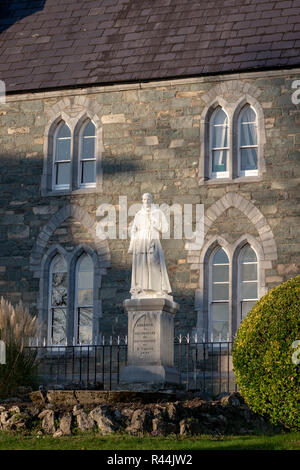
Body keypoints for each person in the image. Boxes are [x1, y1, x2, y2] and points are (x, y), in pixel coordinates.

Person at [128, 193, 172, 298]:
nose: (146, 201)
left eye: (148, 199)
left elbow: (166, 228)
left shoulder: (158, 213)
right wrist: (133, 242)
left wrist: (156, 225)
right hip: (141, 240)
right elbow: (134, 229)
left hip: (153, 238)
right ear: (142, 201)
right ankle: (142, 288)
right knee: (142, 264)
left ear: (152, 200)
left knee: (154, 262)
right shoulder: (138, 214)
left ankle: (157, 288)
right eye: (144, 199)